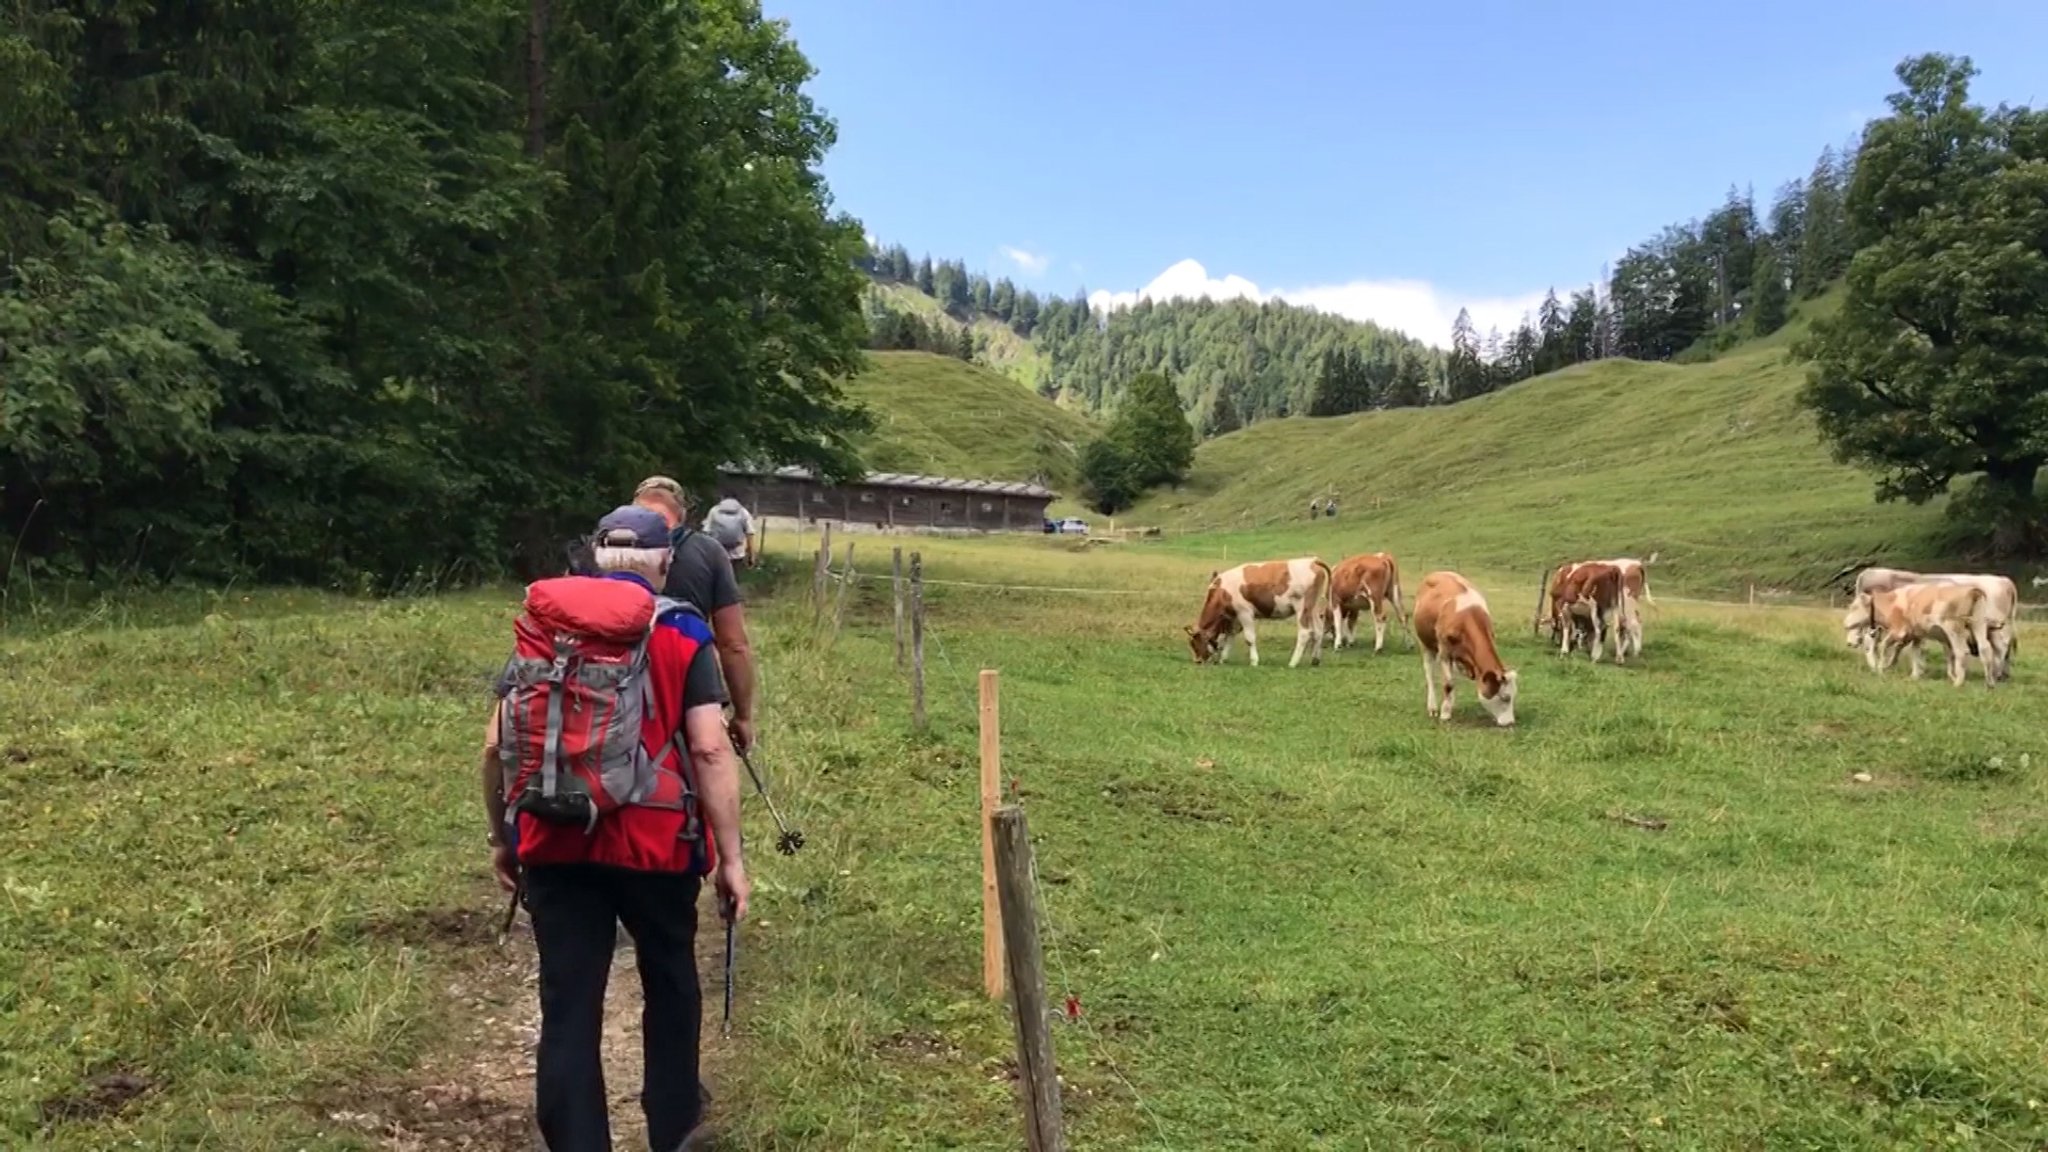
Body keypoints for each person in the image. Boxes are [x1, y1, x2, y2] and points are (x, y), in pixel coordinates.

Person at [483, 504, 748, 1152]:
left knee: (569, 1005)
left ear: (597, 556)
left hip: (556, 838)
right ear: (663, 563)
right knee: (672, 987)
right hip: (657, 846)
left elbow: (494, 748)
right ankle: (674, 1132)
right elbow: (710, 749)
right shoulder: (683, 632)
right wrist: (733, 859)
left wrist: (503, 837)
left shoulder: (548, 627)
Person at [632, 477, 758, 756]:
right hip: (686, 679)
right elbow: (733, 643)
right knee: (708, 756)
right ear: (682, 512)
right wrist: (743, 715)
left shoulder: (599, 547)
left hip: (606, 685)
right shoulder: (709, 552)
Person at [701, 494, 756, 570]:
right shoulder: (743, 512)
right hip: (737, 553)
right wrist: (751, 555)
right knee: (733, 578)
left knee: (717, 579)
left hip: (717, 553)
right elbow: (750, 534)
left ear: (722, 498)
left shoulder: (714, 510)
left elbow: (706, 532)